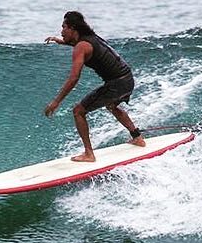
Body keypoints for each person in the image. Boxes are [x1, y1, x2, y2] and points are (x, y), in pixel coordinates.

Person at [44, 10, 144, 163]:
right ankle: (137, 138)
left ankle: (89, 154)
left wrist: (56, 101)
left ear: (73, 29)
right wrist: (60, 41)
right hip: (127, 78)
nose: (61, 31)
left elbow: (74, 78)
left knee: (78, 111)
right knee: (112, 105)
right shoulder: (91, 38)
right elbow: (76, 43)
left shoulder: (81, 47)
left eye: (64, 27)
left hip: (116, 83)